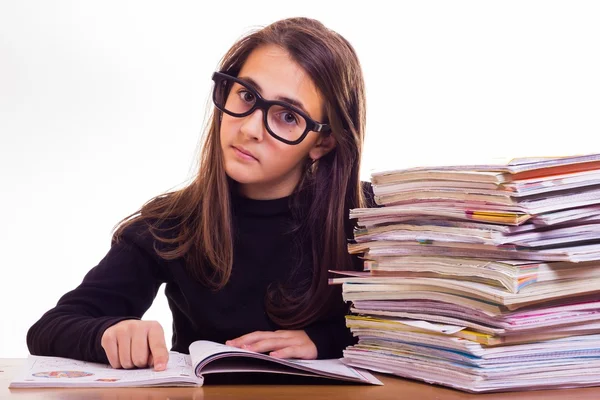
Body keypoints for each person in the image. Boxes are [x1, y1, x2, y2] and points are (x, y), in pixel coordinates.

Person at [27, 17, 373, 372]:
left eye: (287, 116)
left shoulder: (375, 221)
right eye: (247, 96)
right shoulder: (171, 225)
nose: (250, 128)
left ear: (324, 141)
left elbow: (427, 328)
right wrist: (110, 332)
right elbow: (50, 328)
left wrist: (327, 339)